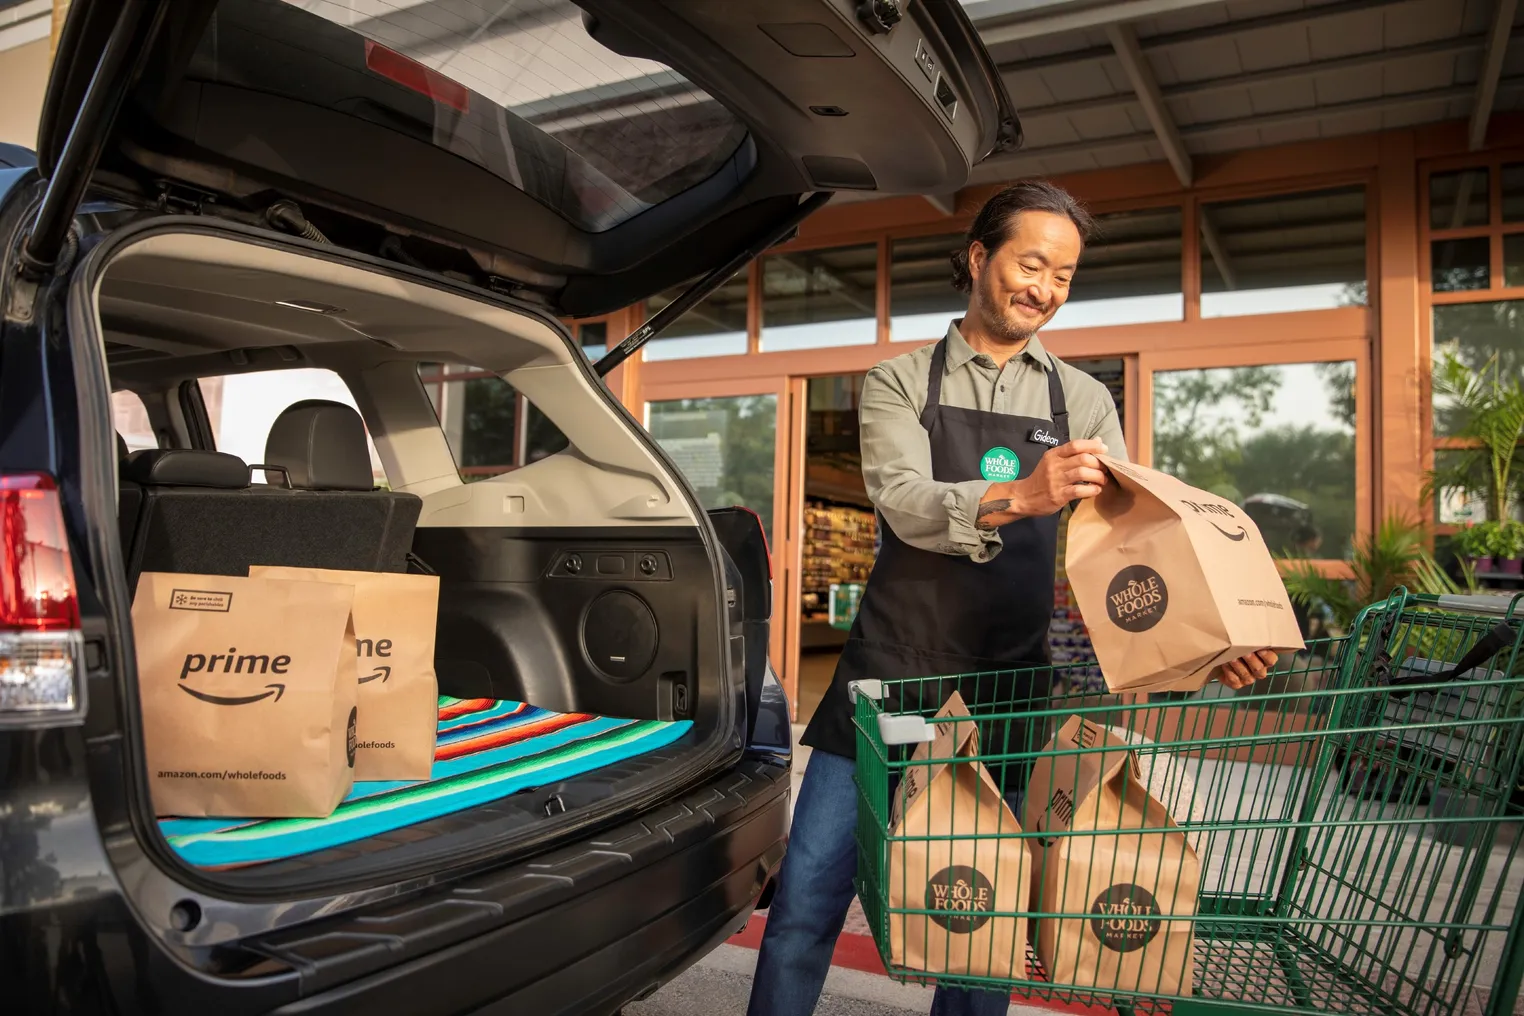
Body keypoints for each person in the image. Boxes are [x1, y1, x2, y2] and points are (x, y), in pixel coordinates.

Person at [747, 181, 1278, 1016]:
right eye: (1031, 263)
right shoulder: (896, 381)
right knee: (807, 902)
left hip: (1005, 691)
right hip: (891, 680)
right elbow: (902, 499)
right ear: (977, 258)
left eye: (1063, 276)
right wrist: (1023, 496)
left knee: (982, 929)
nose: (1044, 288)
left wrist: (1211, 636)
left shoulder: (1085, 401)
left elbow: (1136, 543)